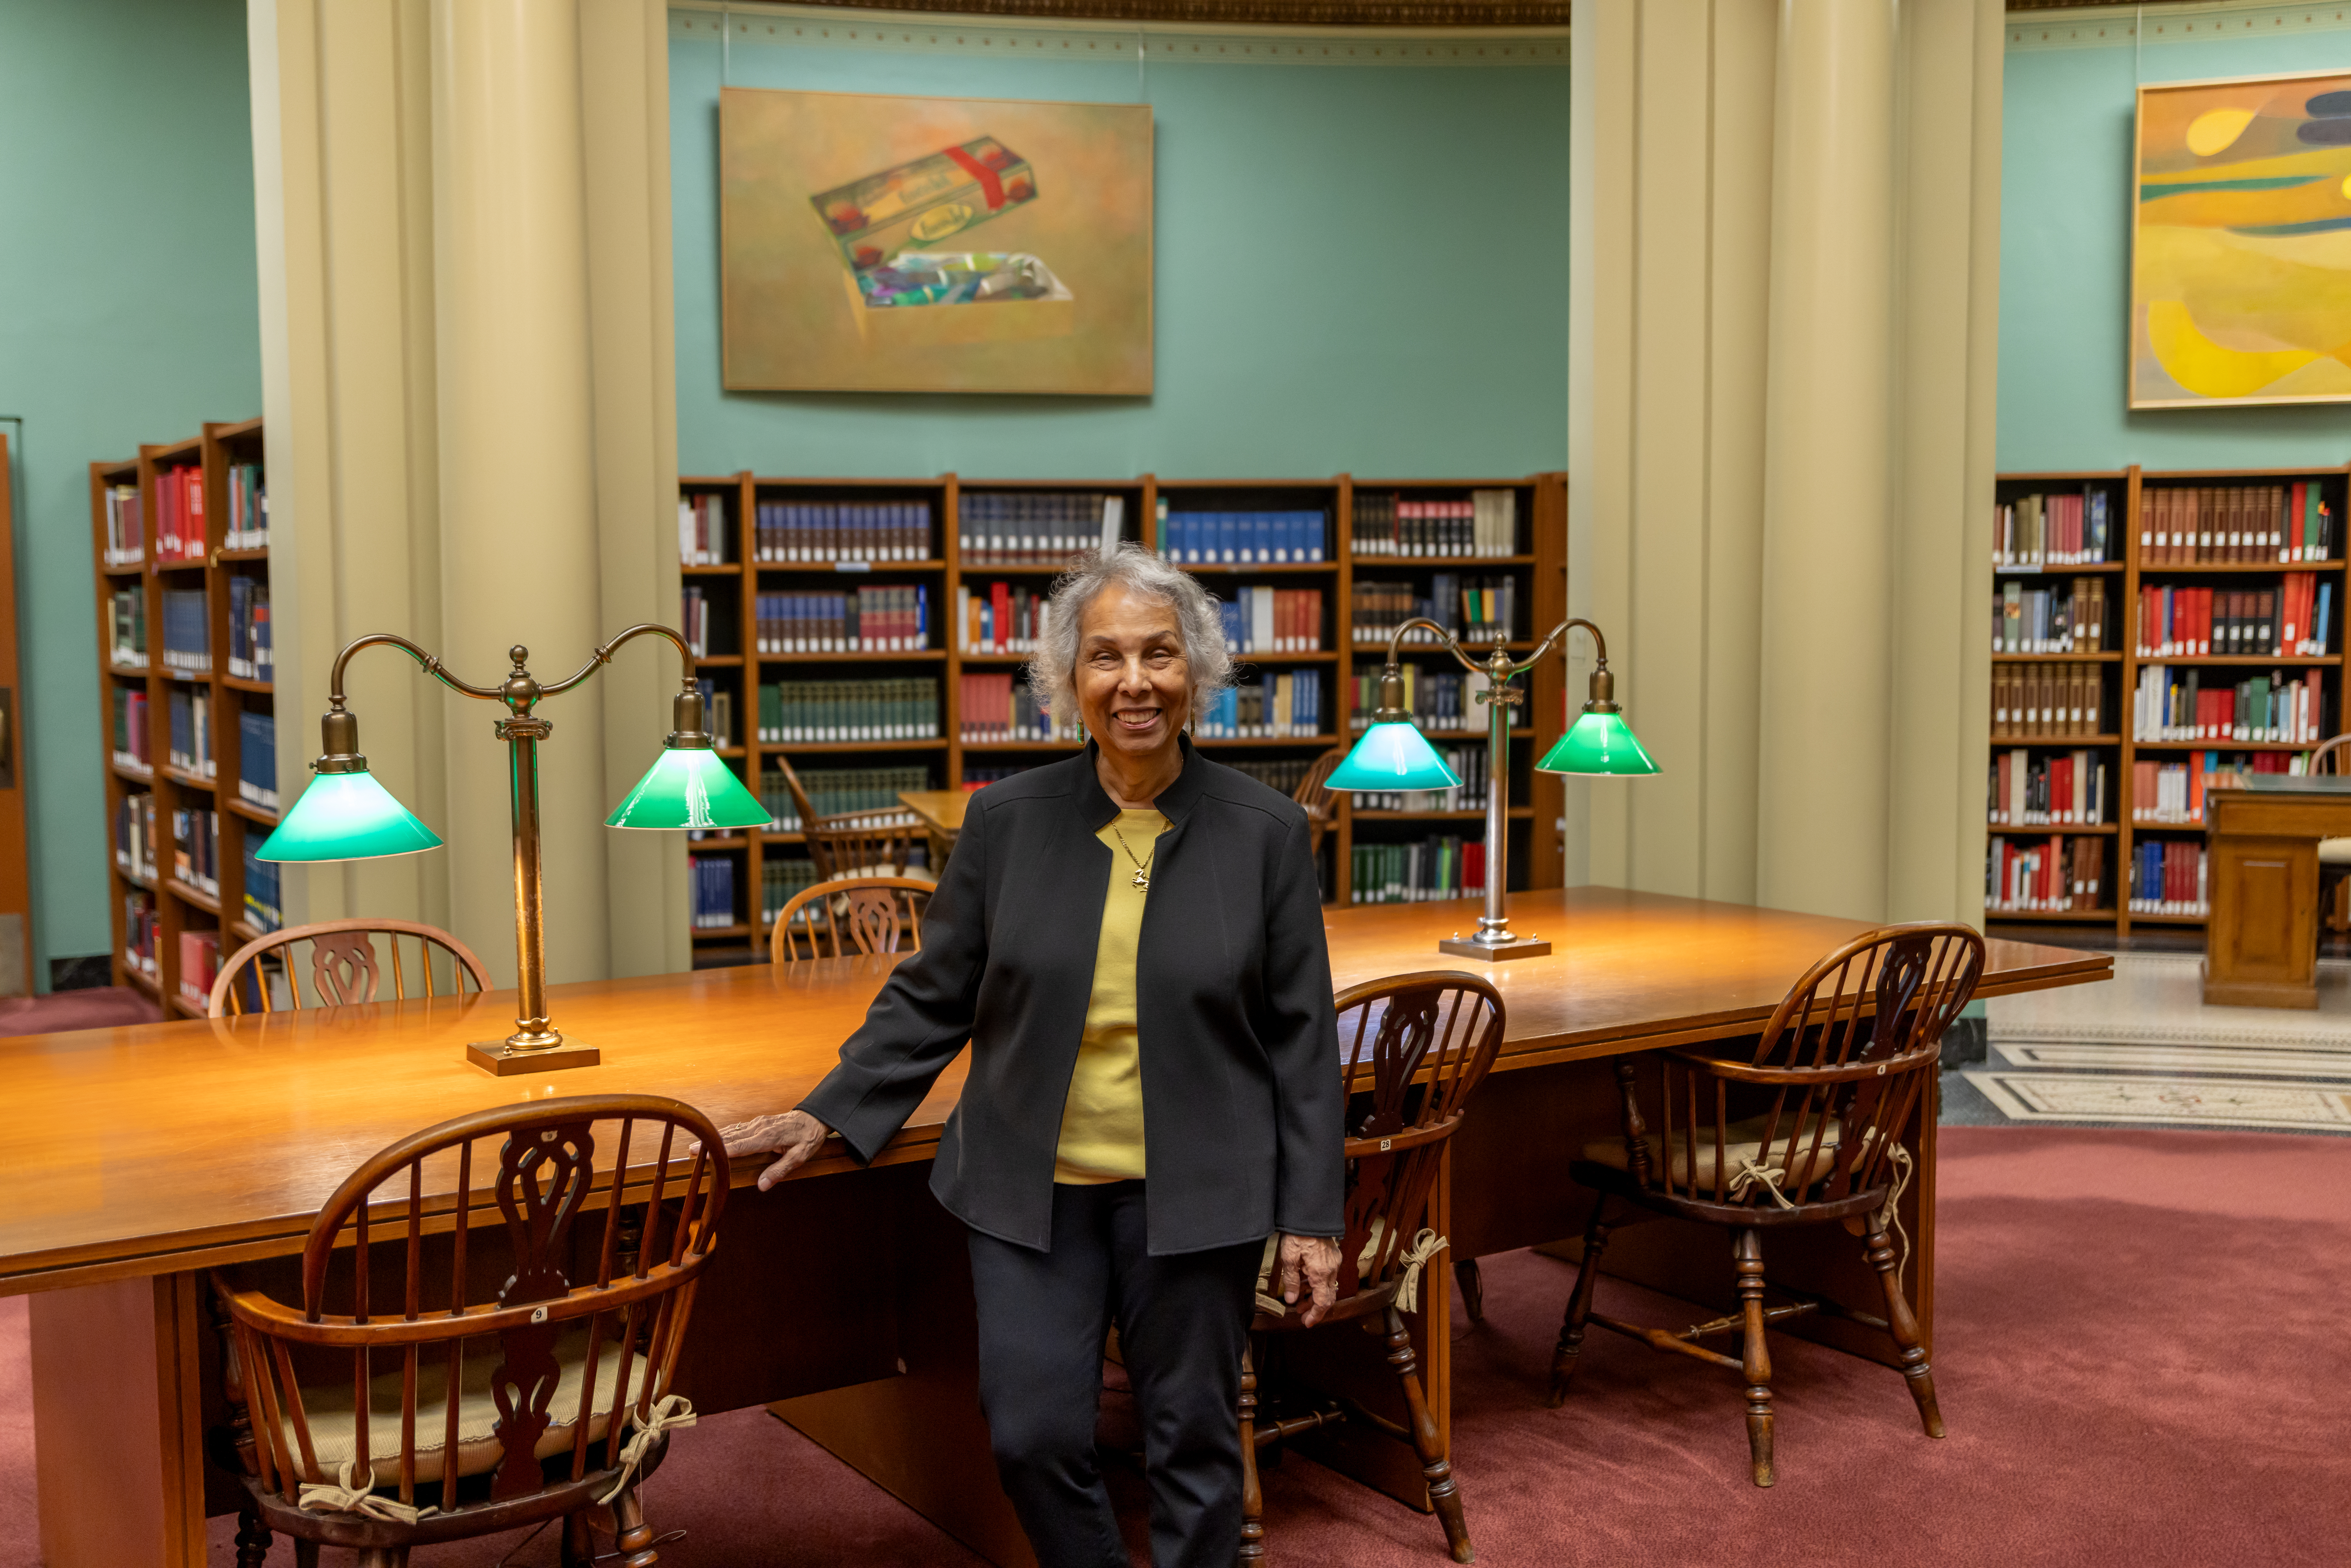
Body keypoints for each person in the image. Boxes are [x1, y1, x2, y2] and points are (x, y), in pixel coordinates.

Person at [711, 543, 1344, 1568]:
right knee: (1033, 1435)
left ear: (1198, 675)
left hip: (1198, 1192)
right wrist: (829, 1110)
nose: (1134, 682)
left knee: (1193, 1442)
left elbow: (1302, 1036)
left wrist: (1312, 1215)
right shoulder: (1004, 824)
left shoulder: (1264, 832)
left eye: (1159, 655)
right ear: (1068, 681)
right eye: (1105, 658)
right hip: (1028, 1188)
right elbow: (936, 990)